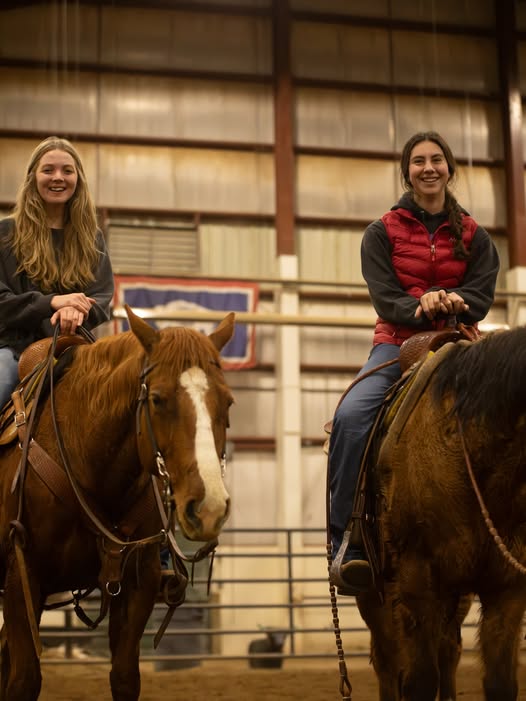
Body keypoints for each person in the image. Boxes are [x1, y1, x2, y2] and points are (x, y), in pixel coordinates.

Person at [328, 131, 500, 593]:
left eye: (437, 160)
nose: (429, 168)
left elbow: (481, 297)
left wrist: (455, 301)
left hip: (461, 342)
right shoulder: (380, 232)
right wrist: (422, 305)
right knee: (350, 417)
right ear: (407, 171)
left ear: (449, 168)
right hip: (397, 343)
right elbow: (385, 298)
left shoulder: (475, 235)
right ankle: (346, 540)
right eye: (419, 161)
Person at [0, 136, 114, 408]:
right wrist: (51, 303)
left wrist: (76, 310)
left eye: (67, 170)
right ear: (33, 177)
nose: (58, 177)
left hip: (73, 347)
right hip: (13, 350)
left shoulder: (92, 238)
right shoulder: (6, 233)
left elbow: (102, 294)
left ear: (78, 179)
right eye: (48, 169)